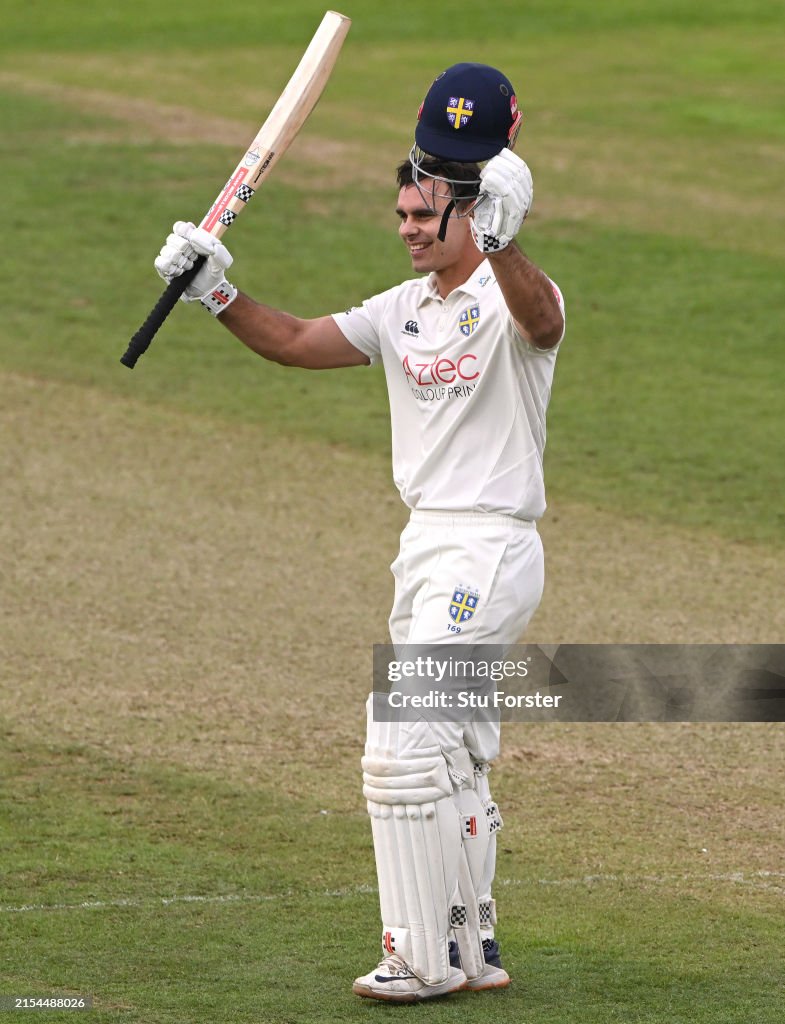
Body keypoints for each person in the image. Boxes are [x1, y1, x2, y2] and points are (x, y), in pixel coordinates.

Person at [154, 62, 565, 1003]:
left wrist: (503, 245)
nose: (412, 230)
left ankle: (417, 959)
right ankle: (470, 946)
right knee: (450, 744)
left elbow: (540, 320)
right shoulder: (399, 312)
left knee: (400, 739)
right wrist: (213, 292)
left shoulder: (515, 298)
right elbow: (295, 341)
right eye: (404, 217)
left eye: (428, 217)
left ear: (472, 215)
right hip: (424, 546)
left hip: (491, 544)